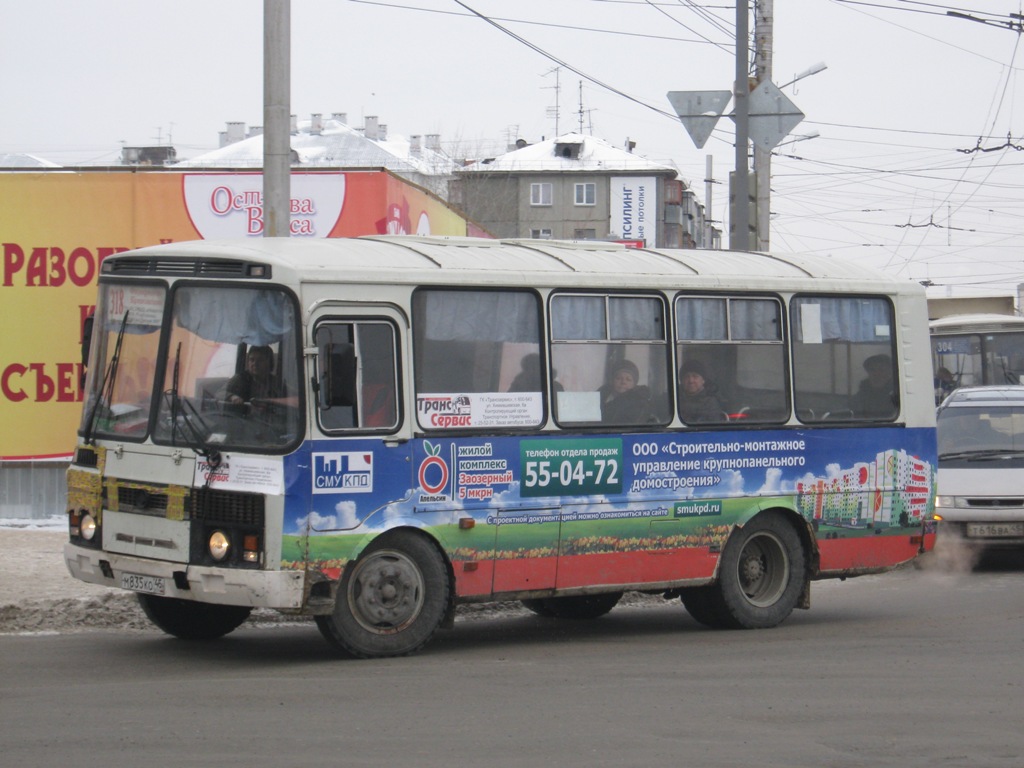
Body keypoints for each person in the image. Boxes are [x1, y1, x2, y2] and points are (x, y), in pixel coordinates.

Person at [600, 359, 651, 424]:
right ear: (612, 380)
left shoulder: (638, 404)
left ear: (634, 384)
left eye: (628, 379)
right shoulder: (602, 394)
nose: (623, 382)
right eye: (618, 378)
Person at [677, 358, 723, 423]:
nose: (691, 381)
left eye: (695, 376)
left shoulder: (710, 402)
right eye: (687, 376)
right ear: (682, 381)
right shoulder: (675, 399)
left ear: (703, 380)